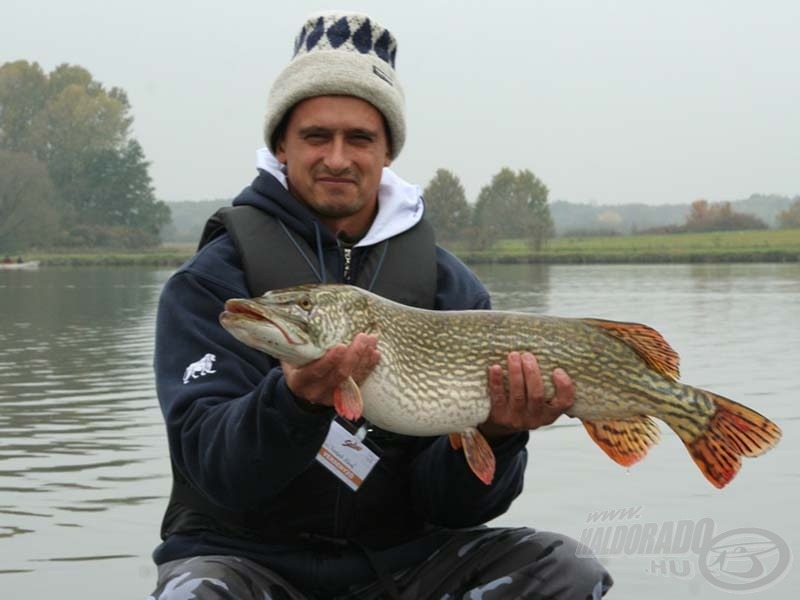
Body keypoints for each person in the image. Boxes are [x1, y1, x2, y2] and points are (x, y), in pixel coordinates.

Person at [149, 11, 612, 600]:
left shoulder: (451, 288)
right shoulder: (211, 283)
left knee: (564, 569)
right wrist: (293, 403)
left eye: (360, 138)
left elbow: (457, 508)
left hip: (402, 566)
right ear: (281, 145)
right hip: (247, 560)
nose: (337, 158)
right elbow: (215, 472)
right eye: (316, 136)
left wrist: (496, 433)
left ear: (387, 149)